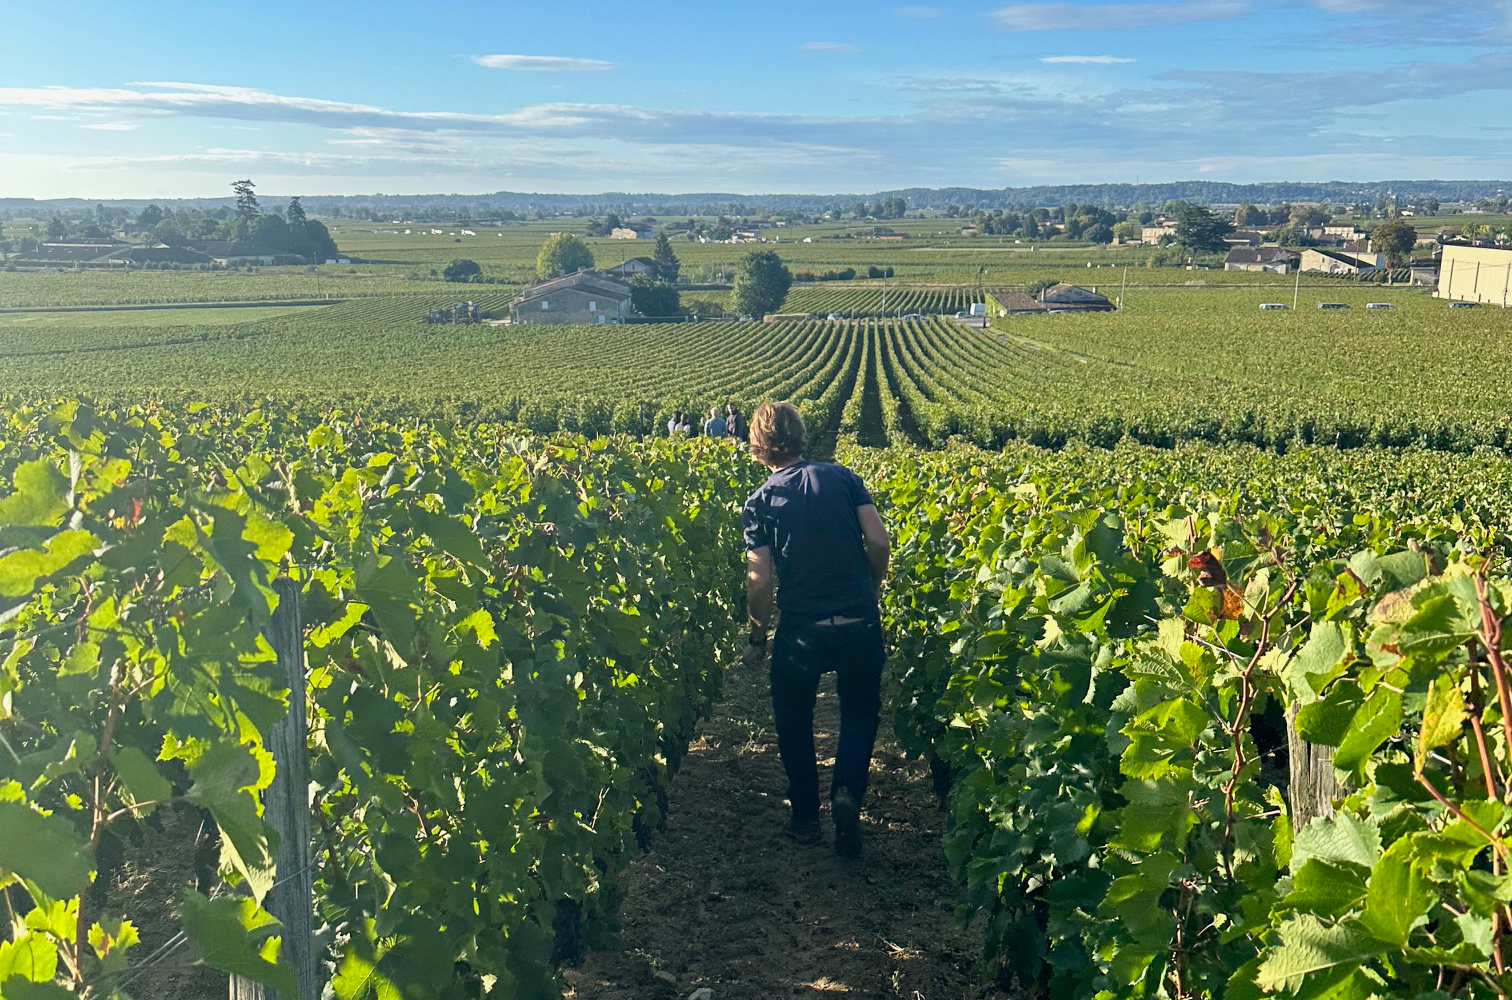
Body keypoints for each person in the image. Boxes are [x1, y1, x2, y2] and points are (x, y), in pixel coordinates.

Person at [742, 401, 890, 856]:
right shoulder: (844, 477)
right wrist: (872, 586)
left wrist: (756, 636)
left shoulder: (760, 501)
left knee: (793, 718)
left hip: (801, 629)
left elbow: (760, 580)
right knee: (861, 711)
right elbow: (879, 540)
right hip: (858, 620)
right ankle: (846, 793)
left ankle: (805, 818)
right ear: (801, 435)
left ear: (759, 446)